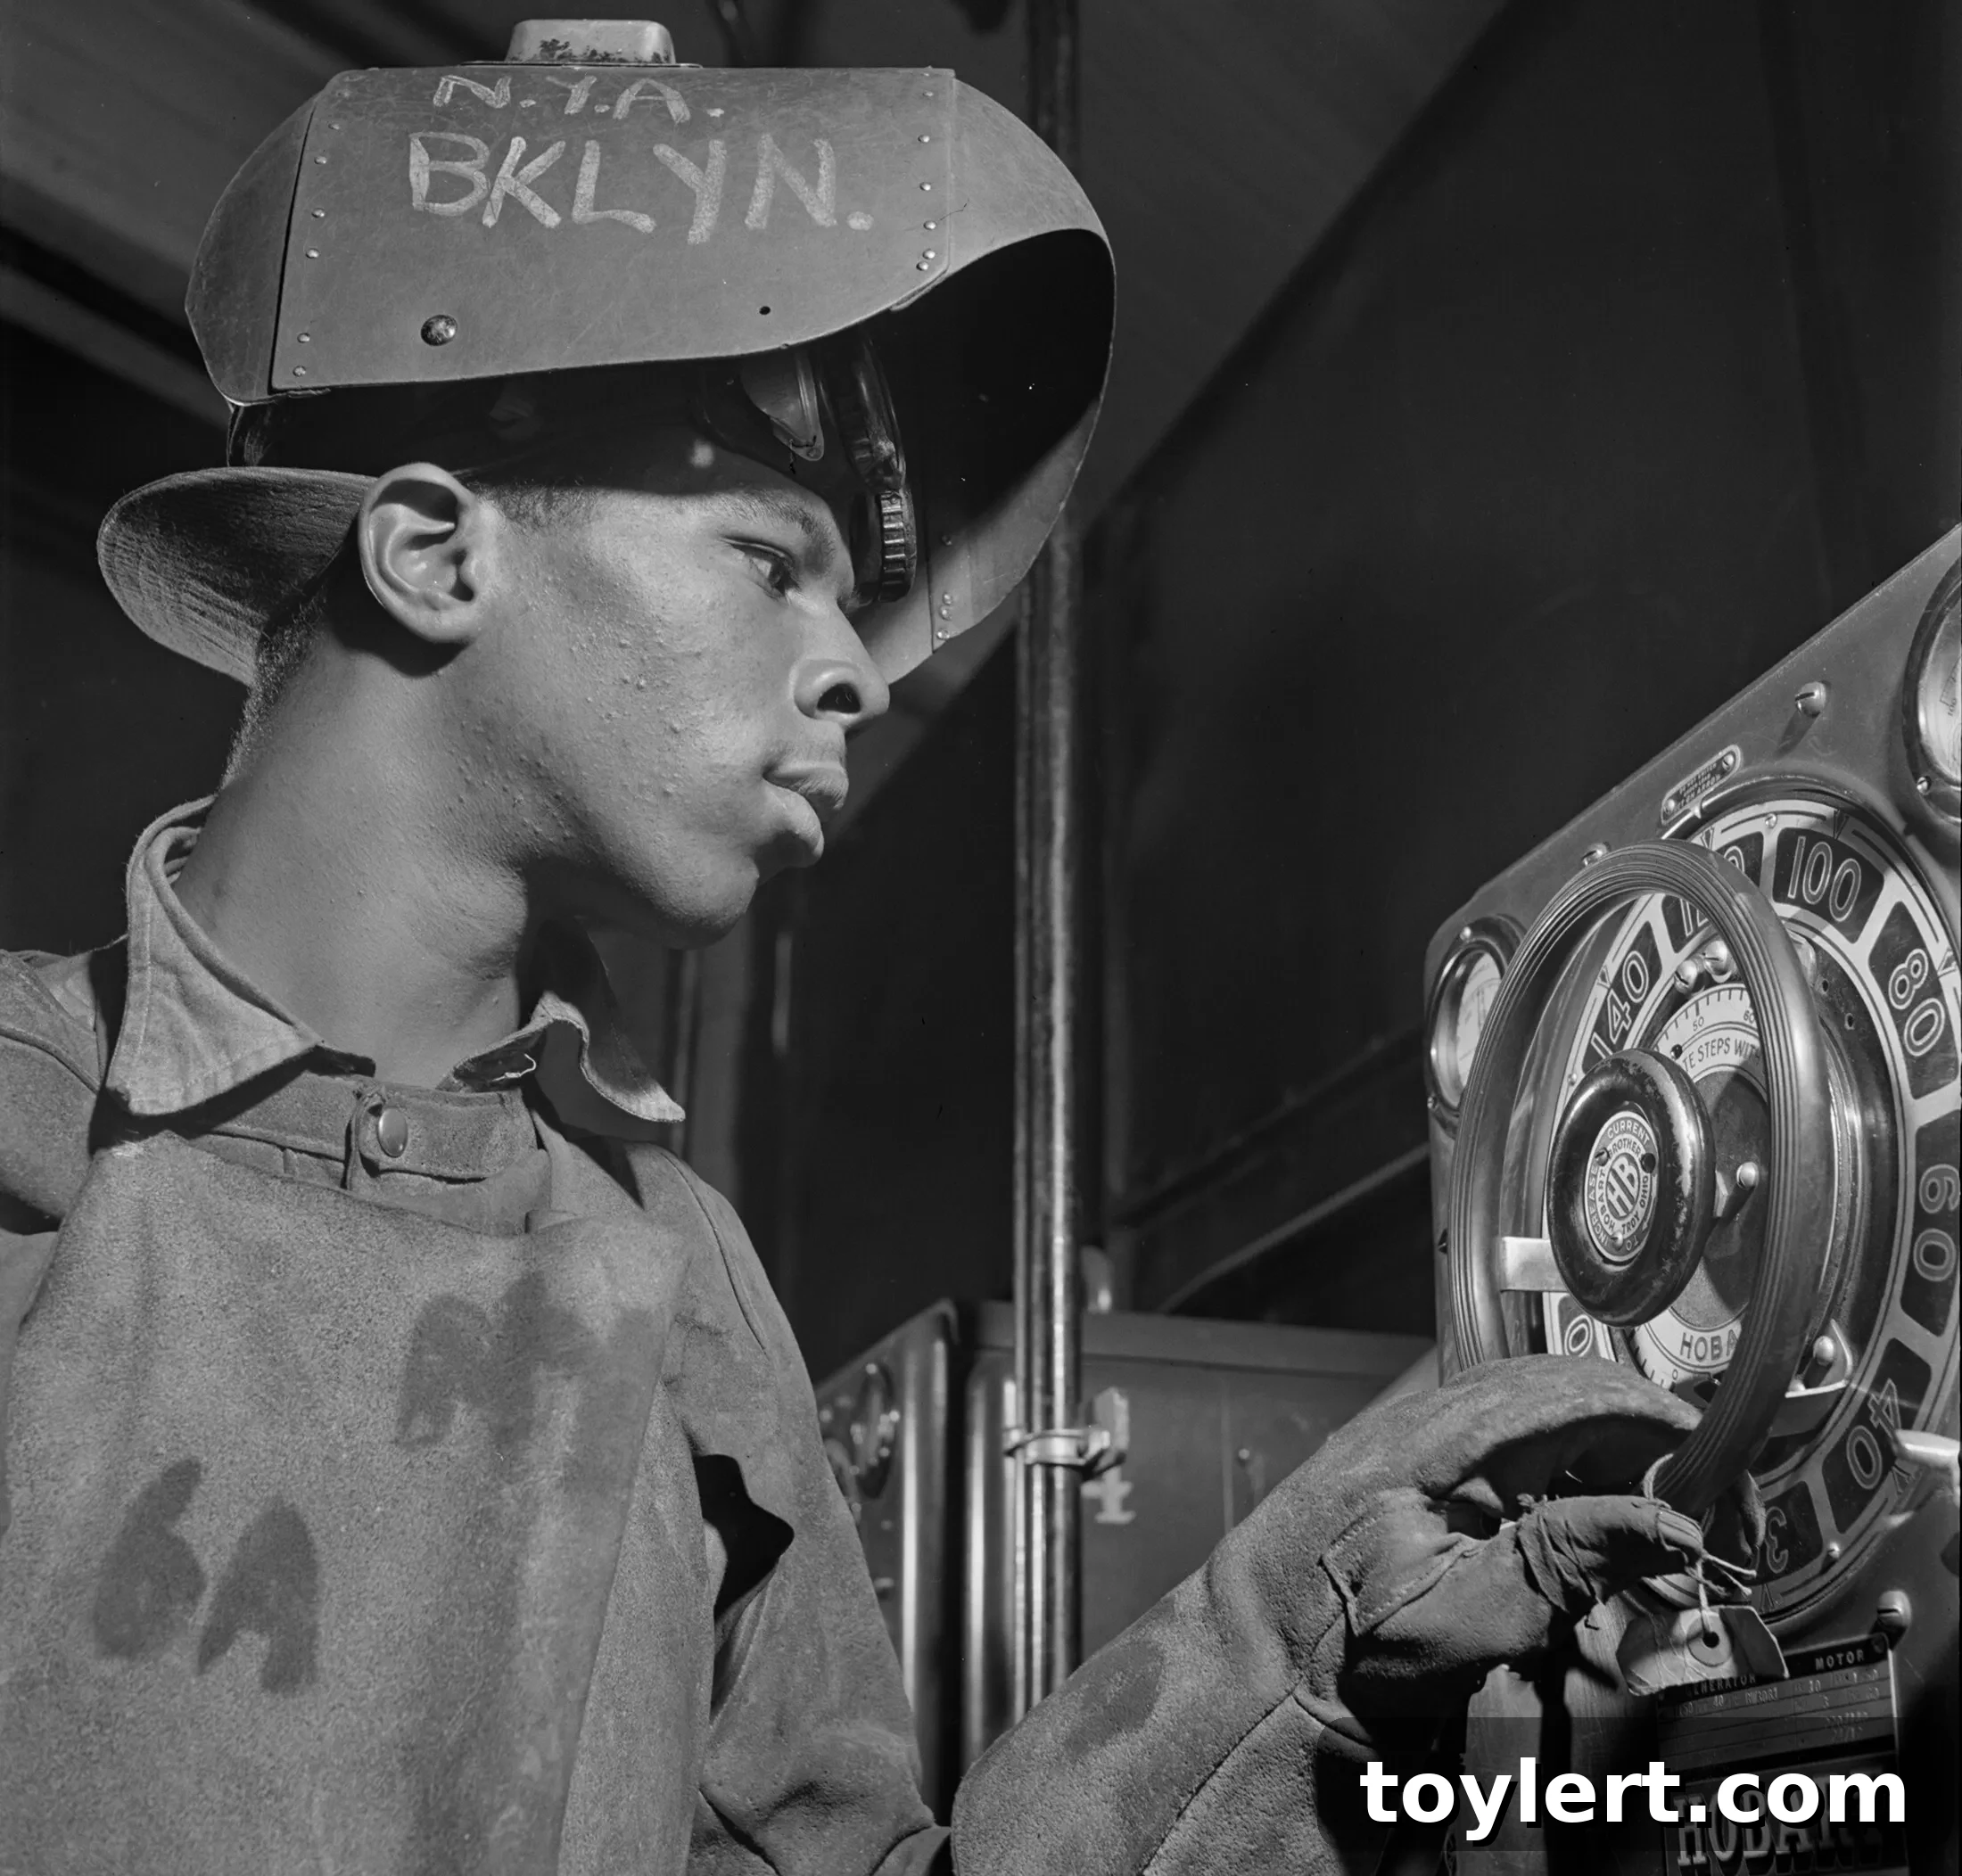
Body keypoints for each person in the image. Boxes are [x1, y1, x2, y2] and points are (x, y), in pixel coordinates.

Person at [0, 22, 1746, 1873]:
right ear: (437, 558)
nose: (853, 669)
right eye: (771, 561)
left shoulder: (674, 1268)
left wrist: (1298, 1641)